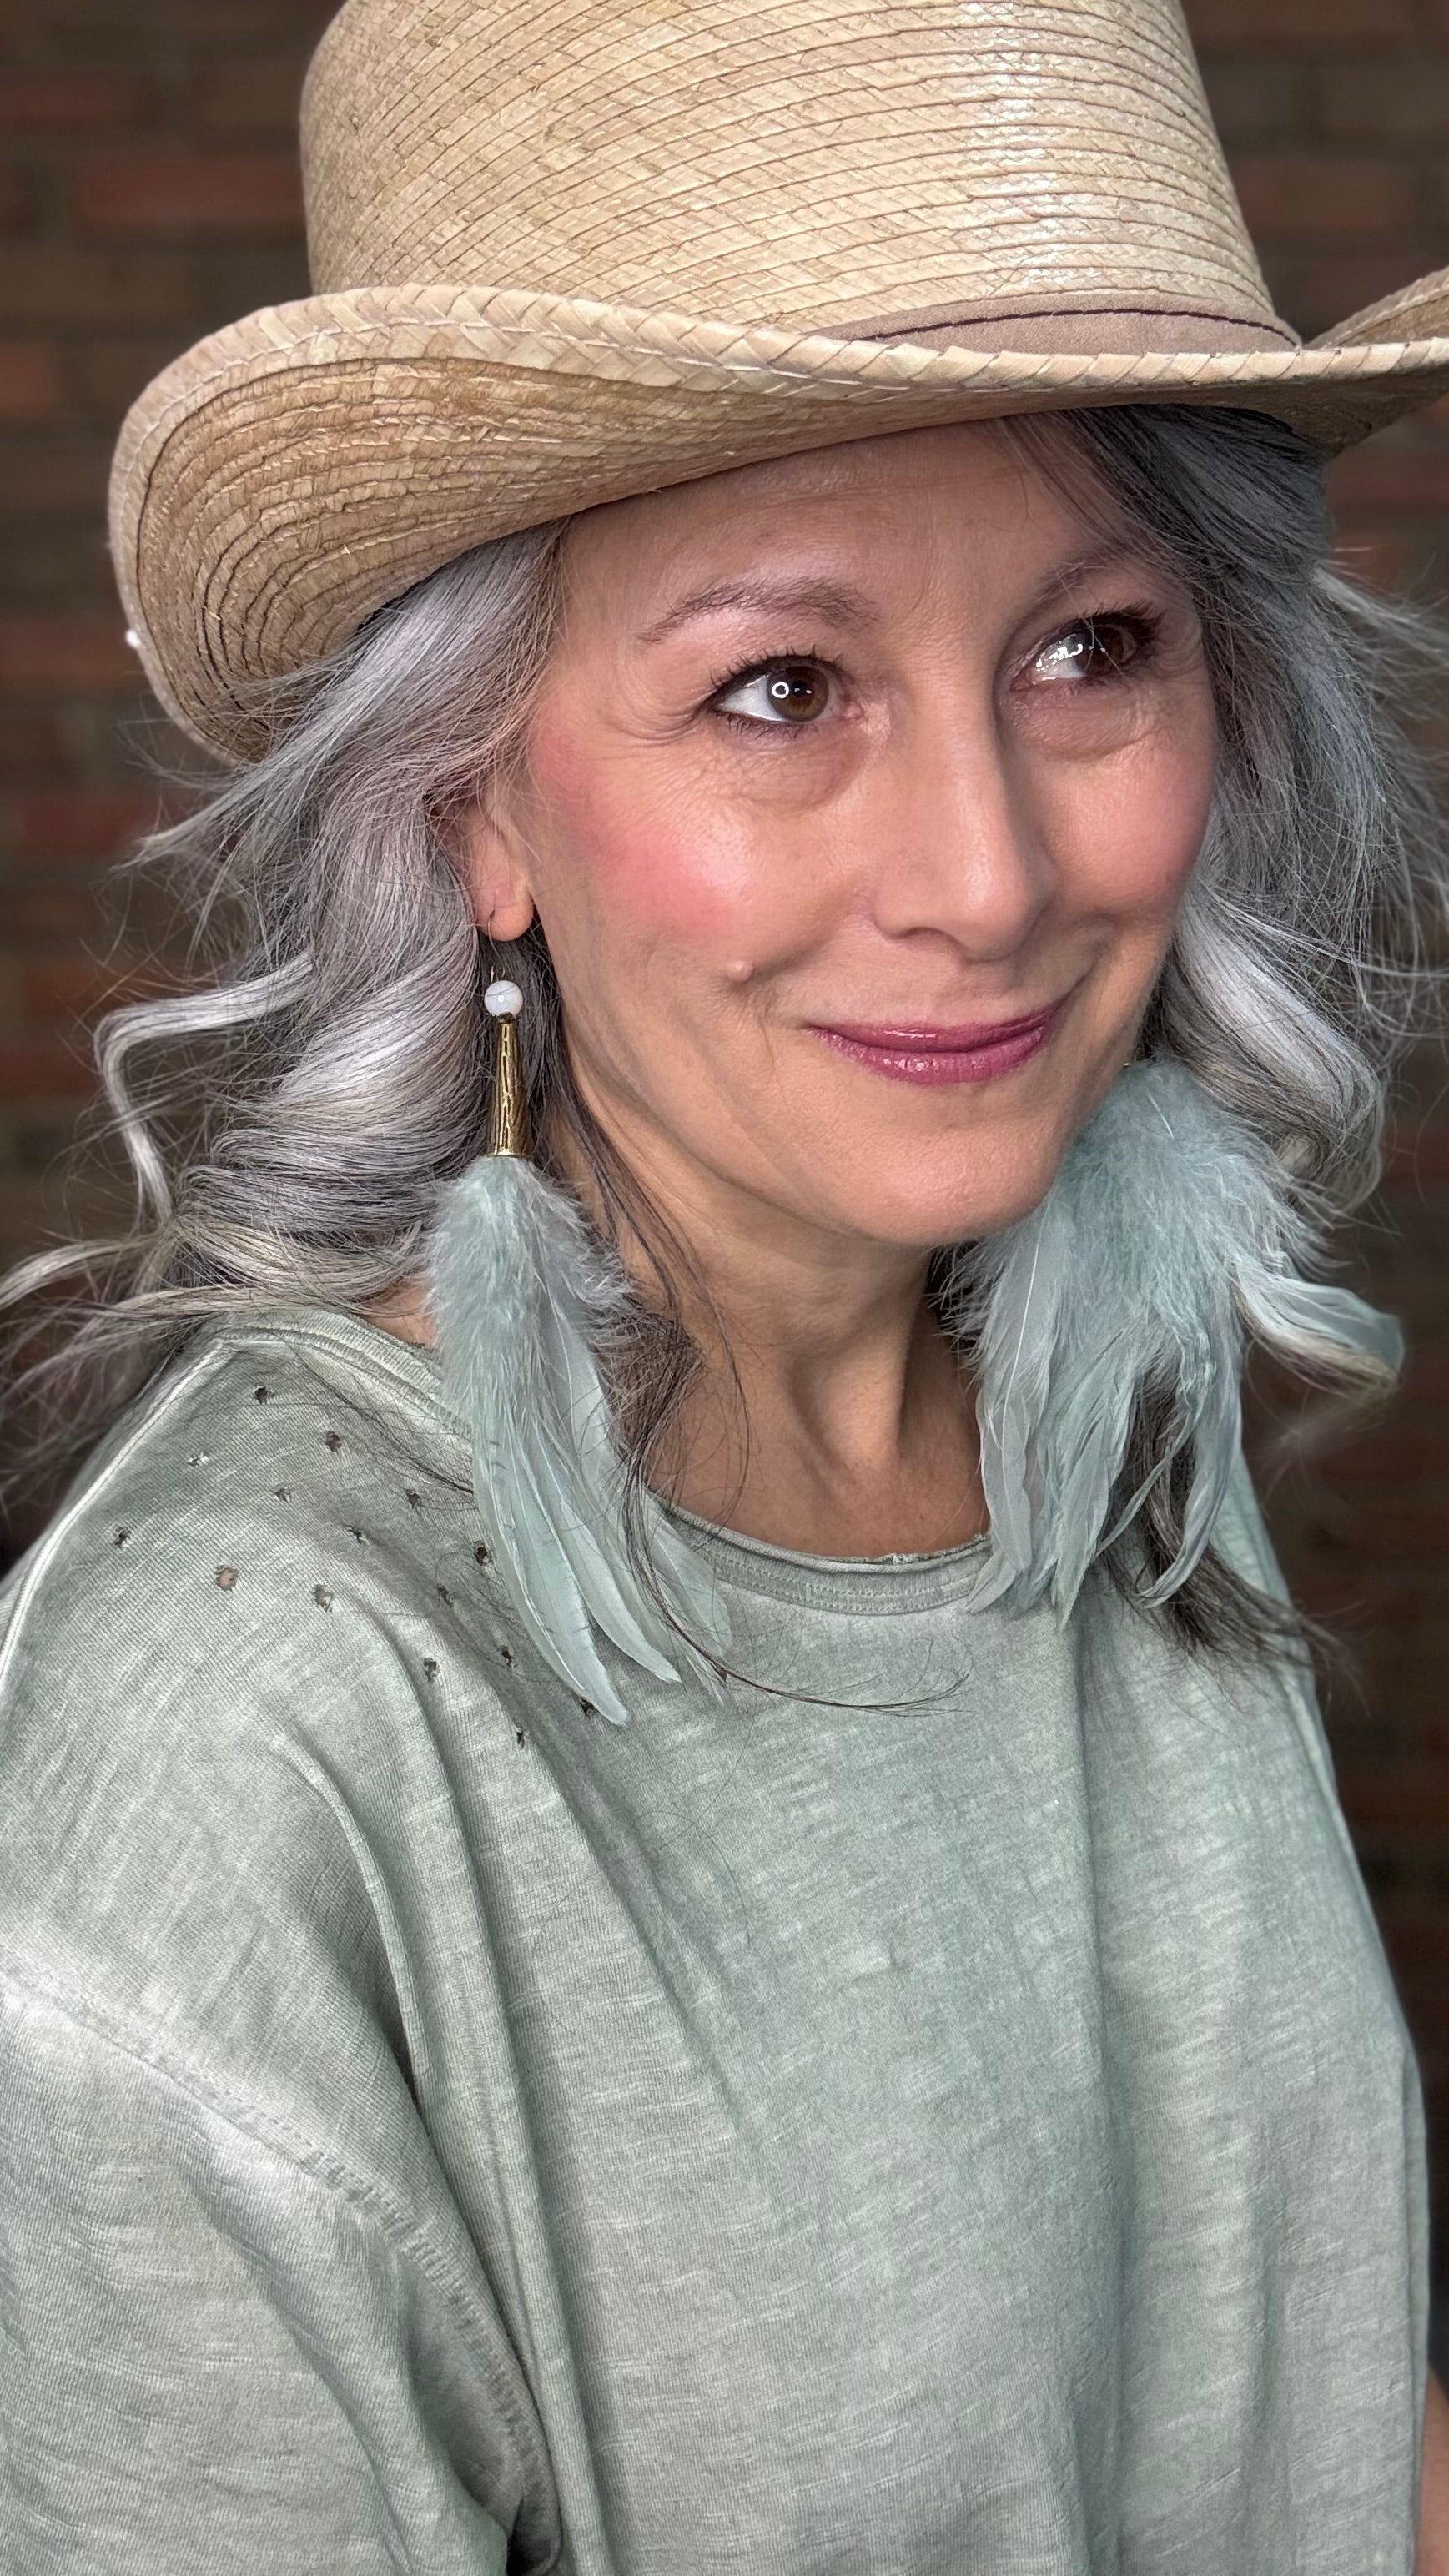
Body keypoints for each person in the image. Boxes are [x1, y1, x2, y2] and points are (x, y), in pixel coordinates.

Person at [3, 0, 1449, 2567]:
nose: (986, 875)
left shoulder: (1078, 1412)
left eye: (1089, 650)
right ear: (471, 808)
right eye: (778, 689)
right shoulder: (248, 1731)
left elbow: (1307, 2402)